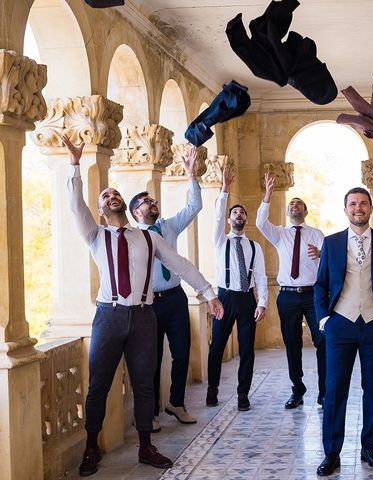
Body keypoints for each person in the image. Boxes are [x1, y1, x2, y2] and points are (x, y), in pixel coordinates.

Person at [62, 136, 223, 477]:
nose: (113, 196)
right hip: (109, 316)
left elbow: (180, 264)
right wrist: (75, 167)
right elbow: (76, 206)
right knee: (98, 385)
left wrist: (209, 292)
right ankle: (92, 447)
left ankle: (146, 447)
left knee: (145, 384)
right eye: (106, 196)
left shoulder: (149, 237)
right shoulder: (96, 236)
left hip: (143, 317)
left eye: (115, 193)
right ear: (102, 209)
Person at [314, 187, 373, 476]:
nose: (358, 208)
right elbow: (321, 285)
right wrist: (325, 320)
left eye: (363, 203)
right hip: (340, 324)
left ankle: (369, 446)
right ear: (345, 209)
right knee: (334, 389)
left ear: (370, 207)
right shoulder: (331, 243)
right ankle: (332, 452)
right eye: (353, 203)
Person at [129, 147, 202, 432]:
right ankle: (153, 412)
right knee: (153, 357)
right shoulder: (132, 236)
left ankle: (176, 403)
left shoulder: (168, 226)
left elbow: (194, 207)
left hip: (175, 298)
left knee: (182, 352)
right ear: (137, 211)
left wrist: (191, 174)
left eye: (153, 200)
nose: (153, 203)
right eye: (147, 201)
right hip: (149, 304)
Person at [256, 173, 326, 409]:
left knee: (323, 341)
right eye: (291, 203)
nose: (294, 205)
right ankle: (297, 390)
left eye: (299, 203)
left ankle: (324, 392)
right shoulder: (280, 234)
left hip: (312, 295)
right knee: (292, 344)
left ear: (305, 212)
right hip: (287, 296)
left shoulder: (316, 234)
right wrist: (268, 194)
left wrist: (321, 255)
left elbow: (330, 265)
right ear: (288, 212)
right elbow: (259, 223)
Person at [206, 167, 268, 412]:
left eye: (242, 213)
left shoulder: (254, 247)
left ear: (246, 219)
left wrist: (262, 302)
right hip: (224, 298)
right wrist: (225, 189)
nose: (238, 215)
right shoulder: (221, 241)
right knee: (216, 347)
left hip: (247, 299)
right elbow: (218, 217)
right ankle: (212, 391)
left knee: (247, 350)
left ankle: (243, 395)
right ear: (230, 219)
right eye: (235, 213)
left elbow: (261, 277)